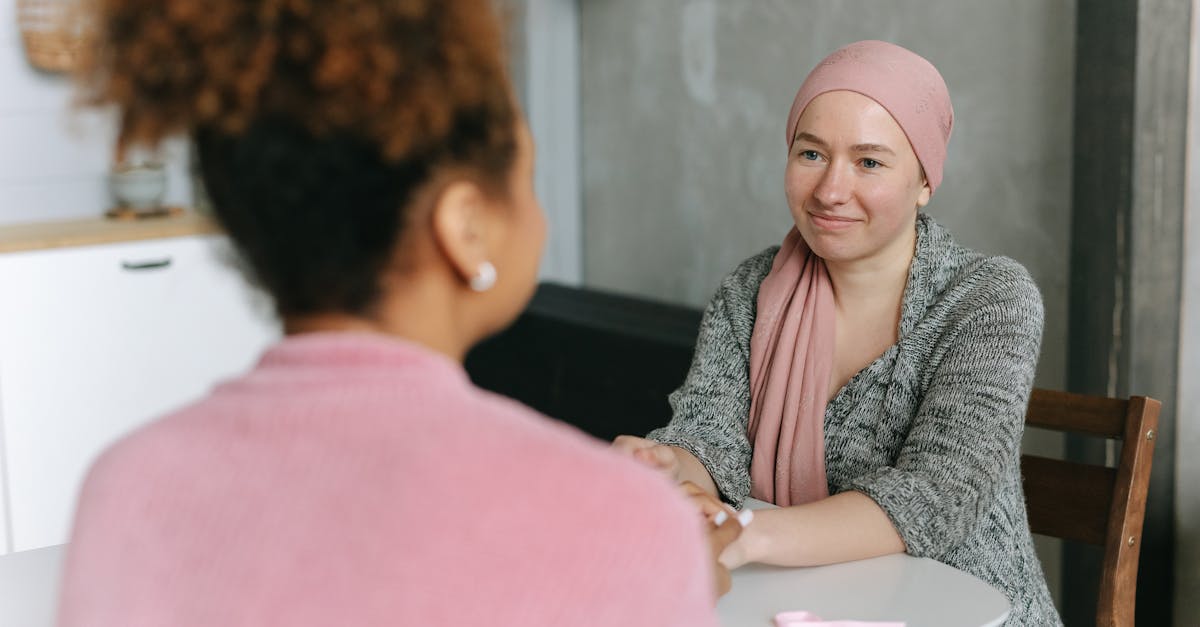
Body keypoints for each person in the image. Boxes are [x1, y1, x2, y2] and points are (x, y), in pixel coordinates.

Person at [56, 1, 740, 625]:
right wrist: (671, 580)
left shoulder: (127, 491)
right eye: (524, 176)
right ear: (465, 226)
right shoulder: (624, 527)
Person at [613, 40, 1062, 626]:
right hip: (797, 609)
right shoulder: (752, 290)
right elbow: (709, 440)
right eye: (811, 154)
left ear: (925, 181)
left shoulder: (988, 300)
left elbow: (935, 495)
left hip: (969, 611)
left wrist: (748, 534)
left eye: (869, 162)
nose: (830, 191)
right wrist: (669, 466)